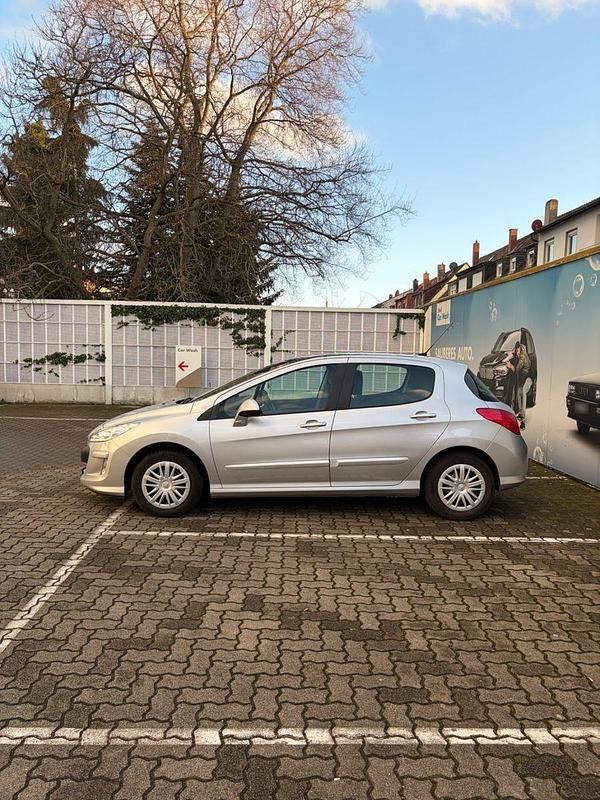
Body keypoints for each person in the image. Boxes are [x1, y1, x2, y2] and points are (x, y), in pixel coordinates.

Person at [507, 342, 530, 429]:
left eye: (517, 350)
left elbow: (517, 370)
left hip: (527, 378)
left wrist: (511, 366)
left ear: (520, 350)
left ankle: (523, 420)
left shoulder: (523, 357)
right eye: (515, 350)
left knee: (523, 392)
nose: (516, 351)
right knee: (518, 394)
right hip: (522, 378)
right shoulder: (520, 354)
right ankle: (520, 414)